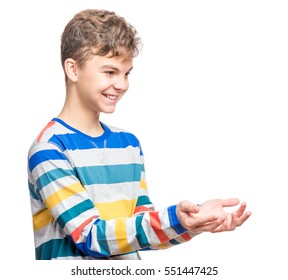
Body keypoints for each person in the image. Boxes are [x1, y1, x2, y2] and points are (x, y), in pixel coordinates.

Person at [27, 9, 251, 260]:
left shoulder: (128, 145)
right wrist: (173, 218)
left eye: (126, 73)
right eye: (110, 72)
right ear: (73, 69)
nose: (122, 84)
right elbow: (90, 237)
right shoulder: (49, 149)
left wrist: (193, 222)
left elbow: (140, 232)